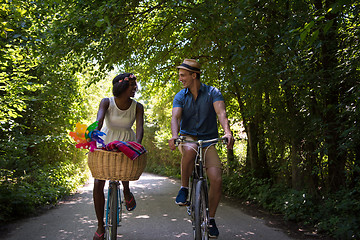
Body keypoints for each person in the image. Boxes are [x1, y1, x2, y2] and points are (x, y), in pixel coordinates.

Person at [168, 59, 234, 238]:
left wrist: (227, 132)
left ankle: (210, 218)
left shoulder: (213, 92)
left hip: (208, 140)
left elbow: (221, 113)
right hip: (188, 137)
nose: (180, 79)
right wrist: (175, 136)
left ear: (193, 75)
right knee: (189, 149)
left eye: (183, 75)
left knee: (216, 178)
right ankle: (184, 188)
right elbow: (175, 117)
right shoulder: (181, 95)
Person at [92, 73, 144, 240]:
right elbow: (99, 120)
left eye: (135, 86)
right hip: (106, 141)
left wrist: (137, 146)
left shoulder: (138, 106)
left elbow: (140, 128)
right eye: (132, 86)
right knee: (98, 183)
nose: (135, 88)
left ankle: (127, 192)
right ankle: (100, 226)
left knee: (125, 172)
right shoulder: (107, 102)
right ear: (122, 87)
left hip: (126, 142)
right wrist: (93, 135)